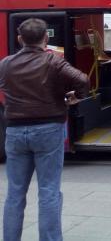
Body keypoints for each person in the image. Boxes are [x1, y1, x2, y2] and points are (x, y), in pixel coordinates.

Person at [0, 18, 90, 241]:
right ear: (46, 38)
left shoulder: (6, 64)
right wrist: (74, 98)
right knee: (49, 191)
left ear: (20, 39)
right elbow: (83, 80)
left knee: (14, 193)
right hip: (49, 130)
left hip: (15, 132)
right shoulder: (54, 61)